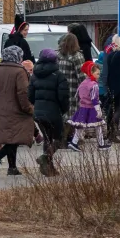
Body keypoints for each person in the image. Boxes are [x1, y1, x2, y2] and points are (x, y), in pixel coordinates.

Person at [0, 46, 34, 176]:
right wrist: (28, 108)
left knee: (10, 139)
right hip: (17, 110)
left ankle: (12, 168)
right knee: (16, 138)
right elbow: (23, 93)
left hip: (0, 108)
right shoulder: (20, 71)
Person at [28, 49, 69, 177]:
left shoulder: (34, 75)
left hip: (39, 113)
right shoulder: (59, 75)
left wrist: (38, 105)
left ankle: (49, 168)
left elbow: (30, 96)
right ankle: (45, 157)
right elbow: (63, 96)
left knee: (47, 139)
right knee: (59, 138)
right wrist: (64, 109)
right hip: (53, 112)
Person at [68, 62, 111, 152]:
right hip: (91, 108)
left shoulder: (84, 82)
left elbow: (78, 95)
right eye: (97, 73)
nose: (99, 75)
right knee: (98, 126)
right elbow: (94, 99)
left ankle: (74, 142)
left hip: (83, 108)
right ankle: (101, 144)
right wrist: (98, 109)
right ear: (91, 73)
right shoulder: (94, 85)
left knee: (80, 126)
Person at [57, 33, 86, 143]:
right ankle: (67, 139)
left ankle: (67, 138)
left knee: (64, 114)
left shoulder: (59, 55)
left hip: (61, 89)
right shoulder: (77, 56)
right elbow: (81, 76)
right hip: (73, 89)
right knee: (72, 114)